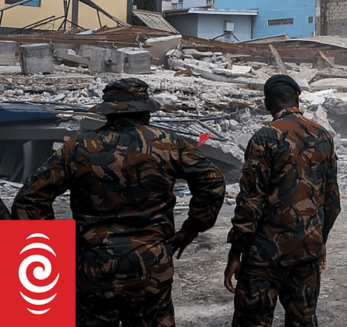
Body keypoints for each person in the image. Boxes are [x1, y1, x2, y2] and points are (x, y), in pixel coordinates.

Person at [12, 77, 225, 326]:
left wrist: (53, 252)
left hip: (95, 268)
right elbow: (212, 181)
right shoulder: (169, 144)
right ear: (146, 112)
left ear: (107, 114)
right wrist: (191, 229)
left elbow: (28, 201)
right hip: (151, 265)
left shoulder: (78, 149)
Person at [225, 74, 341, 327]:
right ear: (298, 98)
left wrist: (236, 252)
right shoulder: (322, 135)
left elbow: (250, 202)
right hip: (307, 250)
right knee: (303, 319)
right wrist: (320, 241)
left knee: (252, 321)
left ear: (267, 104)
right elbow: (332, 201)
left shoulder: (265, 137)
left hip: (265, 254)